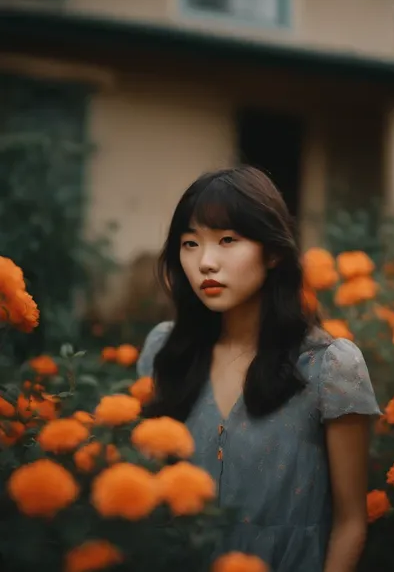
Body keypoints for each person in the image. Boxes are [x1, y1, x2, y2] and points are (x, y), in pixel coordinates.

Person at [137, 166, 380, 572]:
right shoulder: (165, 350)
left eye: (227, 240)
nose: (206, 263)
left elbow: (351, 522)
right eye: (190, 243)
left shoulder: (330, 366)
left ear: (273, 252)